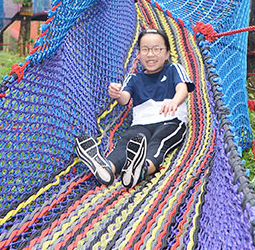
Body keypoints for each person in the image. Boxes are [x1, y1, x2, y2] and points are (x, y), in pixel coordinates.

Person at [76, 28, 194, 188]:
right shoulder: (134, 78)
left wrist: (174, 101)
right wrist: (116, 93)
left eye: (157, 49)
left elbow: (183, 88)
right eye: (145, 49)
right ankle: (106, 169)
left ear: (167, 53)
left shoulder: (174, 69)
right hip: (140, 124)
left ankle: (142, 168)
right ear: (139, 55)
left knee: (158, 143)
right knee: (125, 144)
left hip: (170, 120)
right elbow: (124, 99)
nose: (150, 54)